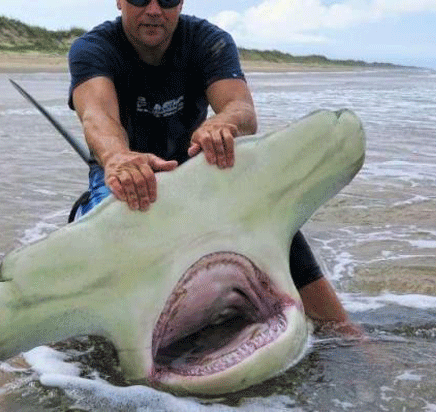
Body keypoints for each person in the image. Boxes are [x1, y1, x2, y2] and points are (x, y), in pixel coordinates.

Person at [67, 0, 360, 334]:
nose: (153, 10)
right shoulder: (92, 48)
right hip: (123, 168)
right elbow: (96, 115)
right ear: (119, 1)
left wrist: (225, 123)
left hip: (192, 165)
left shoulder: (208, 40)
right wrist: (118, 156)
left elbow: (242, 109)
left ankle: (340, 326)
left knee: (261, 209)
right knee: (108, 248)